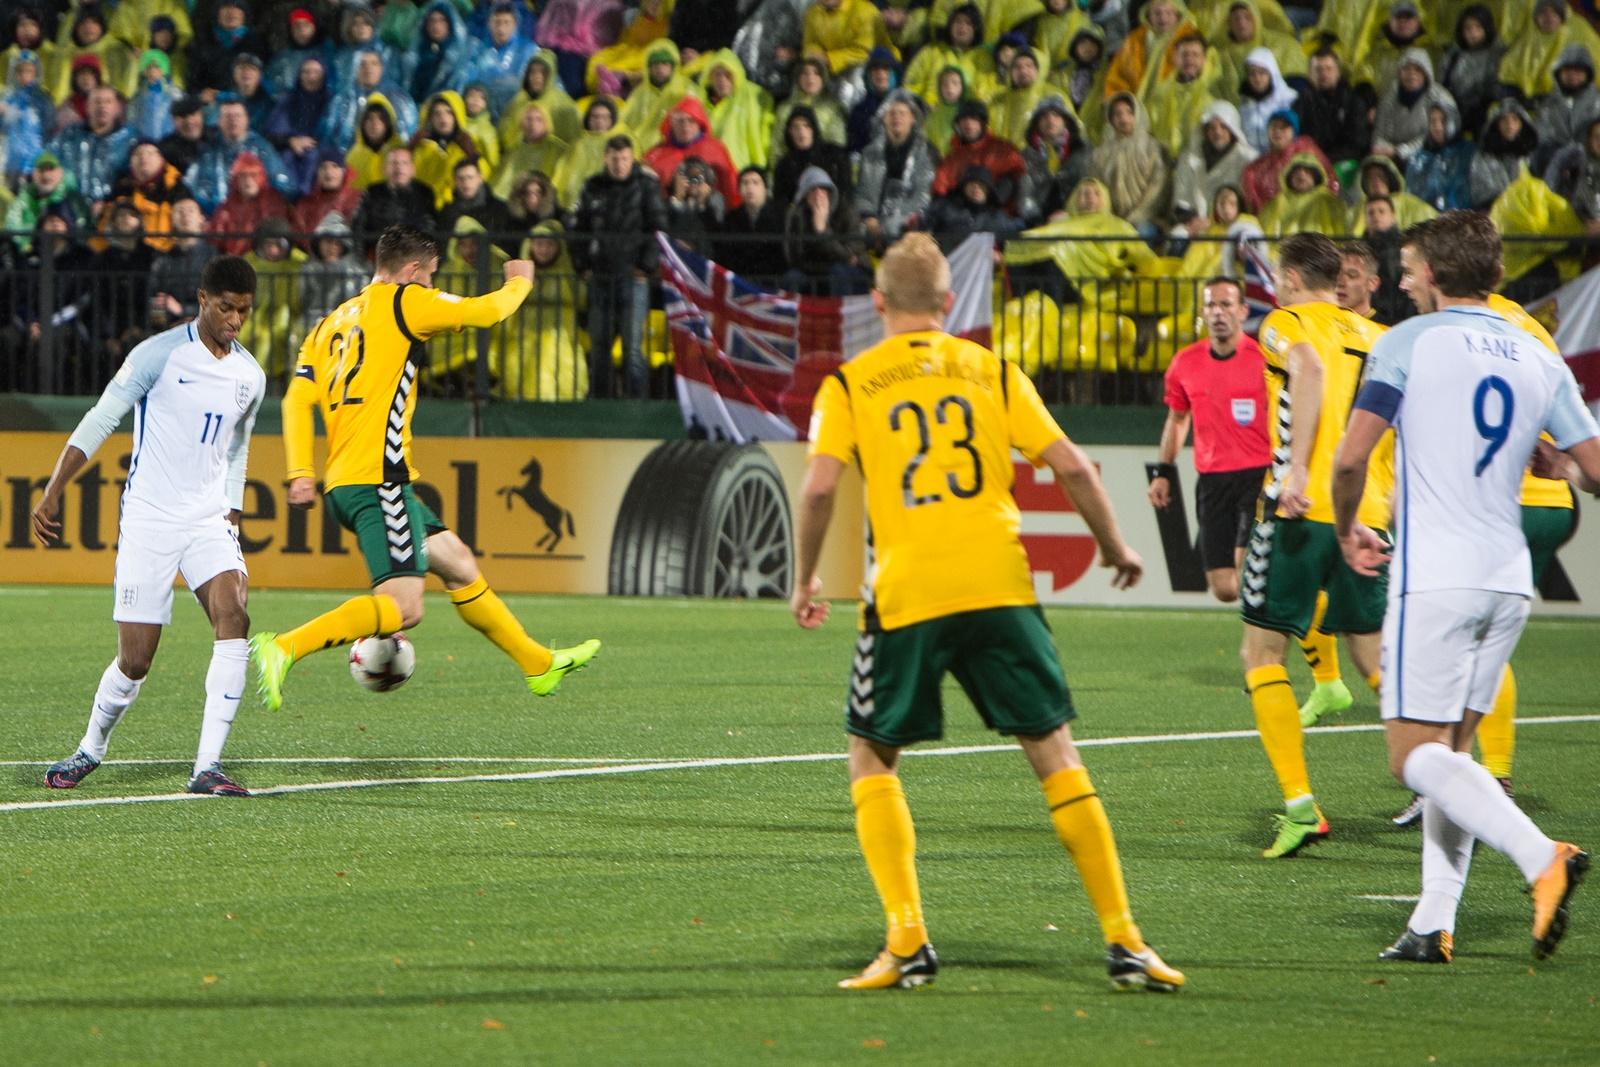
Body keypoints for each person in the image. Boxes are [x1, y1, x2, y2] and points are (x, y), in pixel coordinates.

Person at [791, 232, 1185, 994]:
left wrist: (805, 578)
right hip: (1001, 584)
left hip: (907, 592)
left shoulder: (849, 383)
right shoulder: (995, 371)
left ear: (877, 302)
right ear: (948, 303)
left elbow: (817, 489)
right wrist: (1116, 545)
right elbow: (1073, 465)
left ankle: (907, 938)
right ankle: (1125, 939)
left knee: (871, 756)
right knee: (1056, 753)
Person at [1330, 211, 1599, 964]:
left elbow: (1351, 458)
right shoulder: (1538, 352)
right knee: (1452, 751)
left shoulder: (1407, 341)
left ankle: (1541, 854)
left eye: (1409, 267)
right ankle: (1431, 922)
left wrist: (1347, 528)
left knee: (1412, 759)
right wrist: (1559, 466)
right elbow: (1596, 470)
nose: (1404, 279)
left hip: (1436, 577)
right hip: (1507, 579)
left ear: (1435, 274)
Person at [252, 224, 601, 711]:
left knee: (457, 562)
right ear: (413, 271)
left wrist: (299, 472)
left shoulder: (329, 323)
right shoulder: (406, 301)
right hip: (379, 482)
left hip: (348, 481)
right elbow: (487, 311)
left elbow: (295, 400)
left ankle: (537, 663)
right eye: (431, 275)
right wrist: (521, 281)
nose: (433, 285)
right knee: (404, 609)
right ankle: (285, 646)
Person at [34, 255, 266, 797]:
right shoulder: (157, 355)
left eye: (244, 311)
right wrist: (53, 489)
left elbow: (238, 447)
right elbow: (101, 418)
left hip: (207, 519)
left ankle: (207, 767)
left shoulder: (249, 375)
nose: (235, 320)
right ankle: (90, 748)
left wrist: (232, 509)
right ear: (202, 300)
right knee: (136, 660)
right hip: (150, 518)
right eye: (226, 308)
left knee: (234, 616)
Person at [1241, 232, 1391, 859]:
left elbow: (1307, 367)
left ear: (1294, 278)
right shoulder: (1381, 338)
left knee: (1261, 654)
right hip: (1369, 515)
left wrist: (1299, 468)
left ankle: (1301, 806)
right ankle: (1449, 776)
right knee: (1376, 660)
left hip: (1300, 512)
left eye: (1279, 276)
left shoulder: (1286, 322)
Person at [1149, 277, 1269, 603]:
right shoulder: (1185, 362)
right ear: (1203, 312)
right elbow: (1177, 419)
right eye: (1211, 305)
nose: (1217, 312)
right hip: (1213, 480)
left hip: (1258, 477)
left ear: (1243, 311)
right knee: (1224, 589)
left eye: (1225, 304)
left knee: (1249, 568)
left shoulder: (1264, 360)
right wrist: (1163, 472)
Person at [569, 135, 666, 398]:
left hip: (633, 277)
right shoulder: (592, 186)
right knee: (599, 347)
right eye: (614, 158)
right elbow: (577, 229)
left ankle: (637, 407)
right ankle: (602, 405)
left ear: (632, 158)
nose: (619, 164)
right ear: (605, 158)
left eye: (624, 158)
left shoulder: (646, 186)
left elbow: (659, 229)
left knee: (632, 348)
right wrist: (582, 265)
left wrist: (646, 266)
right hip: (599, 276)